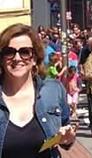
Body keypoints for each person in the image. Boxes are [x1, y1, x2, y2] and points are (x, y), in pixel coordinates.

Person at [0, 24, 75, 157]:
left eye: (25, 52)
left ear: (35, 58)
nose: (17, 58)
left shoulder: (53, 90)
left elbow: (65, 131)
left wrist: (68, 138)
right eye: (9, 52)